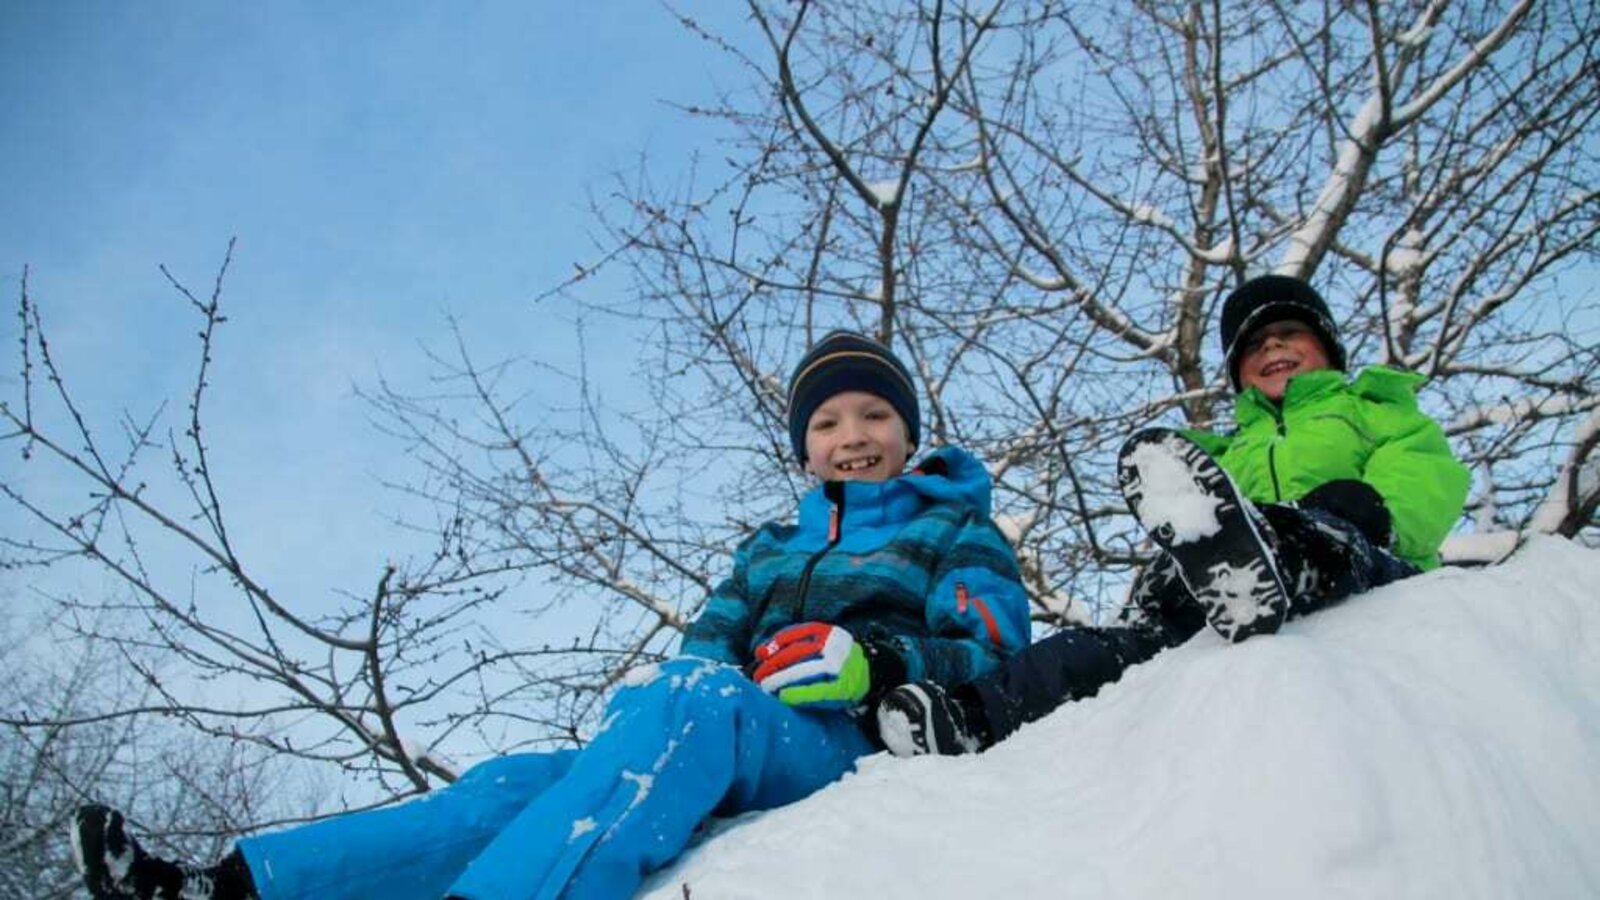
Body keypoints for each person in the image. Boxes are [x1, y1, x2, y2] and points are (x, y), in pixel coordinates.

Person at [72, 330, 1030, 900]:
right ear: (804, 446)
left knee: (695, 704)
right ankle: (230, 886)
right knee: (513, 782)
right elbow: (700, 654)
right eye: (826, 422)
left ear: (907, 430)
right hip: (735, 728)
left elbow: (992, 649)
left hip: (852, 742)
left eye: (871, 415)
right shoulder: (768, 549)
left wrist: (872, 658)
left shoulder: (952, 522)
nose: (850, 436)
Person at [875, 274, 1471, 757]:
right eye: (1255, 345)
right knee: (1101, 648)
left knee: (1327, 523)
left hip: (1362, 564)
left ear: (1328, 347)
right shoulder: (1230, 451)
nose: (1274, 348)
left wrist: (1375, 510)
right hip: (1222, 598)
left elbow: (1427, 474)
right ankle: (970, 716)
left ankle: (1262, 562)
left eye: (1291, 333)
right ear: (1238, 371)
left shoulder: (1374, 409)